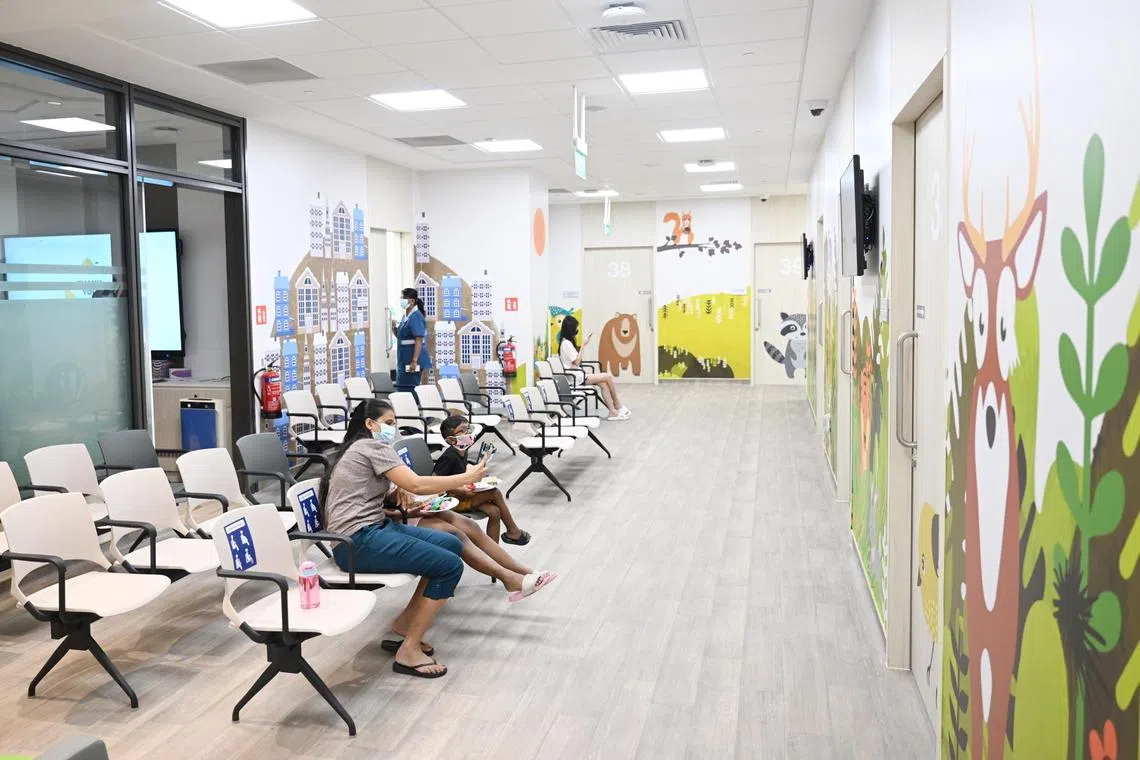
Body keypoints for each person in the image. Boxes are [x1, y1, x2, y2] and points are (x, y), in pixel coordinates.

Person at [320, 401, 554, 677]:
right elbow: (416, 484)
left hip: (373, 529)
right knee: (448, 566)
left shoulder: (360, 449)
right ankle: (408, 650)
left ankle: (406, 625)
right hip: (357, 542)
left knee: (451, 543)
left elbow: (373, 495)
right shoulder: (370, 447)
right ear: (370, 424)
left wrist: (398, 499)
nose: (393, 429)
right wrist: (464, 477)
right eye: (389, 423)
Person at [433, 415, 531, 545]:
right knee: (495, 493)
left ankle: (493, 551)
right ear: (451, 440)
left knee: (494, 512)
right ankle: (513, 531)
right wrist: (460, 490)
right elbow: (435, 482)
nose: (467, 433)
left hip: (463, 496)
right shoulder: (449, 457)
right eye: (462, 431)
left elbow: (459, 472)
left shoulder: (462, 451)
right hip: (452, 501)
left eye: (468, 428)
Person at [558, 315, 630, 420]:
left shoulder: (566, 343)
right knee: (608, 376)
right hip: (577, 378)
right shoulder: (566, 344)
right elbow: (577, 362)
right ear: (570, 329)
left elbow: (575, 362)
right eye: (575, 328)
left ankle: (613, 412)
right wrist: (583, 345)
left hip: (579, 376)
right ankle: (618, 405)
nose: (577, 331)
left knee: (603, 383)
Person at [392, 287, 432, 391]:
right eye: (401, 298)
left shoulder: (416, 316)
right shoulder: (406, 316)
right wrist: (393, 328)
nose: (402, 300)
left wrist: (414, 361)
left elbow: (419, 339)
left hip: (412, 359)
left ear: (412, 301)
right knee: (402, 386)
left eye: (404, 298)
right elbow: (401, 338)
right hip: (404, 358)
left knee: (408, 388)